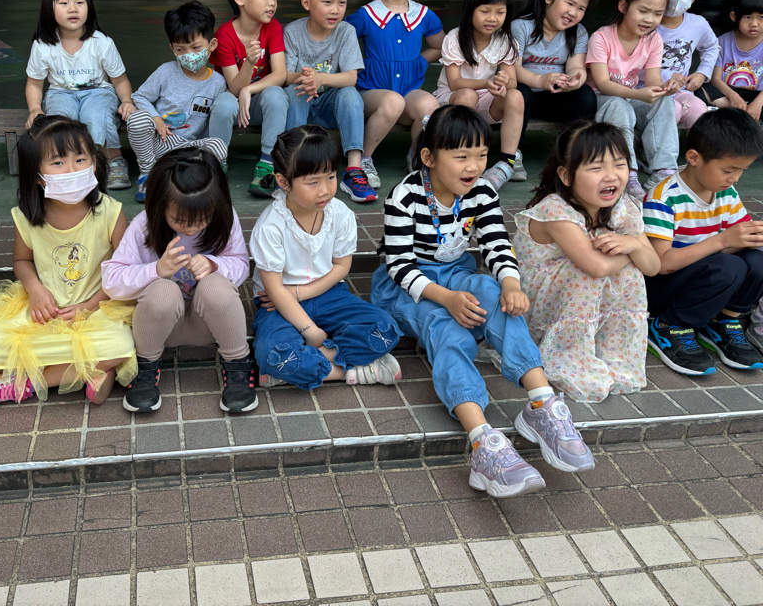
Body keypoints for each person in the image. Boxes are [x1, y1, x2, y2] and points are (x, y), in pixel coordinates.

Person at [370, 105, 595, 498]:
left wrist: (510, 283)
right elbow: (400, 266)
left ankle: (541, 403)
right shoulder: (404, 196)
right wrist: (447, 299)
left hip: (456, 274)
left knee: (493, 291)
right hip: (405, 287)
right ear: (429, 157)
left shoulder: (482, 192)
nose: (473, 166)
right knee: (446, 324)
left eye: (481, 155)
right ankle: (482, 443)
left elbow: (496, 245)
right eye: (461, 156)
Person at [0, 116, 137, 406]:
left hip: (99, 307)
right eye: (58, 162)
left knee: (121, 344)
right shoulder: (26, 217)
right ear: (36, 175)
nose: (72, 169)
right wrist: (35, 290)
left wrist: (90, 305)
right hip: (46, 311)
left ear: (94, 162)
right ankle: (92, 370)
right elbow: (22, 261)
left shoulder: (110, 211)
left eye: (80, 159)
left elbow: (125, 270)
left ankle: (25, 384)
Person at [102, 148, 256, 413]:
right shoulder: (144, 225)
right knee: (162, 289)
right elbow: (111, 281)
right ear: (159, 205)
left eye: (202, 219)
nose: (192, 228)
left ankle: (238, 364)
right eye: (180, 220)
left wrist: (214, 264)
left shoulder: (225, 218)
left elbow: (242, 265)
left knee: (215, 285)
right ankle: (146, 368)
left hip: (210, 325)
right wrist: (156, 270)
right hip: (159, 330)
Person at [515, 121, 660, 402]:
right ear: (566, 175)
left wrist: (632, 245)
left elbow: (653, 266)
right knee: (590, 271)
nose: (611, 176)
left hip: (582, 299)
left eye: (619, 165)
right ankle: (569, 356)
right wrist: (631, 251)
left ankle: (611, 353)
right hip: (537, 304)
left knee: (629, 271)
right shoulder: (556, 210)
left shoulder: (623, 207)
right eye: (596, 168)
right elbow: (596, 267)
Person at [249, 125, 403, 390]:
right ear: (283, 182)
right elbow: (274, 289)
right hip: (278, 304)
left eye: (330, 177)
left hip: (328, 293)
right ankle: (356, 370)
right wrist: (310, 332)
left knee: (385, 329)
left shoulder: (340, 213)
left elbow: (342, 266)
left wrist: (300, 293)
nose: (325, 190)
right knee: (273, 353)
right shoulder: (271, 226)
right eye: (313, 182)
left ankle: (297, 368)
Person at [644, 108, 763, 375]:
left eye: (743, 170)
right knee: (729, 266)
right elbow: (660, 264)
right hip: (664, 287)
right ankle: (668, 325)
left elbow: (739, 238)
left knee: (757, 260)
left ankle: (724, 322)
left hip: (705, 277)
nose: (735, 179)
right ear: (694, 158)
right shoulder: (663, 198)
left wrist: (752, 237)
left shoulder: (726, 192)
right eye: (728, 170)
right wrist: (723, 240)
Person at [346, 0, 443, 189]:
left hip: (409, 90)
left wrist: (420, 61)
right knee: (393, 101)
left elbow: (440, 47)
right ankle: (364, 159)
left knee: (430, 105)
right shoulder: (365, 15)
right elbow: (340, 44)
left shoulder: (423, 15)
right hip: (372, 92)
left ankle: (417, 157)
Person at [23, 0, 136, 190]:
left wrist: (127, 100)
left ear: (89, 7)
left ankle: (114, 160)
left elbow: (120, 80)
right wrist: (35, 109)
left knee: (95, 116)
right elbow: (34, 83)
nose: (73, 8)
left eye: (80, 2)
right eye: (64, 2)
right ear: (48, 8)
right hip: (60, 93)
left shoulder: (101, 43)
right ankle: (67, 165)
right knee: (60, 120)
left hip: (98, 92)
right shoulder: (43, 45)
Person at [587, 0, 681, 200]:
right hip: (602, 98)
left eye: (657, 14)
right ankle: (627, 173)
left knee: (665, 103)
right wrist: (639, 94)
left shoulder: (653, 40)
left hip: (631, 96)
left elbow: (652, 79)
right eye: (643, 11)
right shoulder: (601, 37)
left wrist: (666, 88)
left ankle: (663, 171)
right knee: (619, 105)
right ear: (624, 6)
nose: (650, 19)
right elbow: (602, 83)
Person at [283, 0, 374, 203]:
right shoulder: (292, 32)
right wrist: (305, 78)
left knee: (350, 93)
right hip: (302, 102)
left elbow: (351, 76)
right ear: (306, 3)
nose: (336, 10)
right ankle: (295, 164)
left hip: (330, 107)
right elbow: (285, 75)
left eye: (342, 3)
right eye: (327, 2)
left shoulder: (346, 32)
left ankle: (354, 170)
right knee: (294, 92)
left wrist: (321, 78)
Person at [126, 1, 228, 202]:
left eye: (196, 47)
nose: (188, 55)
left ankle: (181, 171)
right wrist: (155, 118)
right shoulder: (166, 72)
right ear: (172, 48)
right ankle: (147, 173)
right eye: (180, 49)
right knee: (137, 119)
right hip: (162, 141)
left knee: (218, 146)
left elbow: (213, 120)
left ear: (211, 45)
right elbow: (139, 96)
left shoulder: (218, 82)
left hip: (190, 147)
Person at [434, 0, 525, 189]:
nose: (492, 18)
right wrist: (486, 84)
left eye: (500, 12)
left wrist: (504, 82)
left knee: (515, 96)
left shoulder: (505, 41)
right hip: (454, 101)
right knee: (468, 94)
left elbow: (512, 82)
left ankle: (507, 163)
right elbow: (455, 83)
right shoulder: (455, 38)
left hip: (486, 100)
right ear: (470, 9)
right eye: (485, 11)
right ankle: (461, 155)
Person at [209, 0, 288, 197]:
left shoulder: (272, 28)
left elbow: (280, 74)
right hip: (234, 105)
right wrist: (249, 64)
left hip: (257, 104)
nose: (272, 2)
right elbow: (234, 88)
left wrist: (250, 89)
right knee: (224, 102)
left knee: (276, 94)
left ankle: (267, 162)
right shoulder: (224, 35)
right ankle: (217, 160)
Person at [512, 0, 600, 177]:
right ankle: (512, 154)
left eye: (581, 8)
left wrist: (576, 79)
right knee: (519, 92)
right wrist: (540, 80)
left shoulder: (578, 32)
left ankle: (572, 153)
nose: (573, 13)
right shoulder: (521, 27)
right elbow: (513, 69)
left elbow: (576, 66)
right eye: (569, 3)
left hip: (554, 96)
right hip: (524, 97)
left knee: (585, 95)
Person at [657, 0, 721, 128]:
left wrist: (702, 73)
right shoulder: (647, 24)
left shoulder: (697, 24)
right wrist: (666, 77)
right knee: (674, 110)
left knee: (698, 110)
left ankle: (697, 144)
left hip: (680, 90)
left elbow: (712, 47)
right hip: (648, 89)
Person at [712, 0, 763, 121]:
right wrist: (733, 96)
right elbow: (715, 78)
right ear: (734, 17)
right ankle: (739, 107)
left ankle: (742, 108)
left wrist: (758, 103)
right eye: (748, 17)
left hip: (758, 95)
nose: (754, 23)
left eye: (761, 17)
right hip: (727, 92)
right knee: (700, 87)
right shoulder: (722, 41)